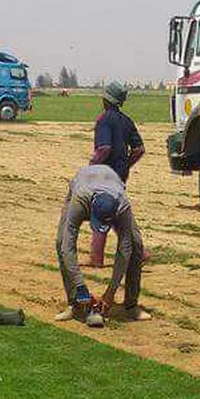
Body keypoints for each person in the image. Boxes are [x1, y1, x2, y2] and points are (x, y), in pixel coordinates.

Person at [55, 165, 150, 328]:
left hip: (112, 183)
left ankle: (131, 305)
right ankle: (76, 304)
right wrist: (81, 287)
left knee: (136, 245)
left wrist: (110, 293)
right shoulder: (80, 200)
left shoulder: (122, 206)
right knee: (60, 242)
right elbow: (67, 246)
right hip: (84, 182)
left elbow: (124, 250)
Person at [87, 82, 146, 266]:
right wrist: (126, 164)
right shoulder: (126, 121)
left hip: (105, 174)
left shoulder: (104, 120)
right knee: (118, 212)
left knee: (101, 210)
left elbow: (104, 148)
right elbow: (139, 149)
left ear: (106, 100)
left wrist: (92, 166)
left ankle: (96, 258)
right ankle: (140, 252)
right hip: (120, 174)